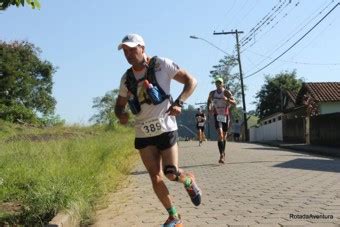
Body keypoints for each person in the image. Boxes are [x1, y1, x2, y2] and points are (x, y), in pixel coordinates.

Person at [114, 33, 202, 226]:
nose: (128, 54)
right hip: (143, 133)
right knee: (155, 177)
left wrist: (179, 102)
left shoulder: (161, 64)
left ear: (142, 48)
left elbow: (191, 81)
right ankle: (174, 216)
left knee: (171, 173)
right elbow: (119, 105)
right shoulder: (126, 78)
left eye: (132, 49)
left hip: (166, 128)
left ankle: (188, 180)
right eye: (125, 51)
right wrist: (121, 114)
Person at [207, 77, 236, 164]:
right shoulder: (212, 93)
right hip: (217, 115)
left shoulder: (226, 92)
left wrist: (227, 99)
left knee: (224, 135)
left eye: (220, 83)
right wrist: (209, 109)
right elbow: (208, 101)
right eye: (217, 83)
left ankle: (223, 152)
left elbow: (234, 102)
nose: (218, 84)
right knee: (220, 134)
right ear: (215, 84)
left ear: (222, 84)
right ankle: (221, 155)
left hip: (225, 115)